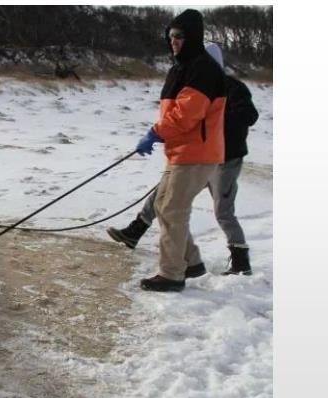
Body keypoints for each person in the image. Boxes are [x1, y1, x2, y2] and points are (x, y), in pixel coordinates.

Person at [107, 41, 259, 277]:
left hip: (225, 160)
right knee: (164, 195)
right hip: (196, 155)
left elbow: (249, 115)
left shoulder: (233, 87)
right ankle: (135, 231)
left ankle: (240, 261)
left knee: (223, 211)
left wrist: (214, 120)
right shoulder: (192, 85)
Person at [126, 9, 227, 292]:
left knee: (172, 209)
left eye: (180, 36)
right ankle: (191, 262)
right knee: (162, 206)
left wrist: (155, 133)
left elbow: (186, 115)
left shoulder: (202, 69)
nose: (174, 41)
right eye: (171, 36)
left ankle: (171, 274)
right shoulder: (183, 66)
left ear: (192, 38)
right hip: (182, 151)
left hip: (197, 154)